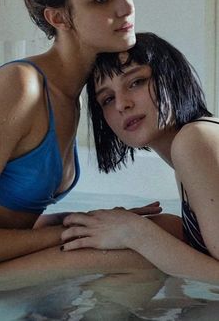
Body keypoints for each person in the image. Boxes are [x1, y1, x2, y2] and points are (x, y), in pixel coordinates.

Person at [0, 0, 164, 292]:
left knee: (155, 237)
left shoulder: (72, 95)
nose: (126, 7)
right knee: (140, 258)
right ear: (58, 19)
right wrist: (67, 233)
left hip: (1, 265)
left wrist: (83, 222)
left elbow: (8, 221)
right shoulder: (21, 87)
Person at [61, 32, 219, 284]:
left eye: (136, 82)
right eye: (108, 99)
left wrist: (134, 233)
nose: (122, 104)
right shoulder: (194, 144)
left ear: (173, 76)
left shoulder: (195, 140)